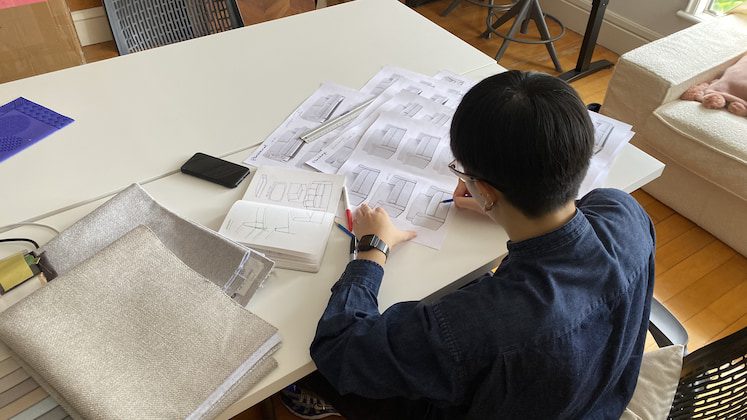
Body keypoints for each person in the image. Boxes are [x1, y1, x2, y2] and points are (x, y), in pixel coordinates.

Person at [281, 70, 655, 419]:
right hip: (595, 399)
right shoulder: (625, 211)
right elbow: (573, 212)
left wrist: (371, 249)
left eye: (461, 171)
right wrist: (499, 203)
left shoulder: (478, 323)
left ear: (487, 190)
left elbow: (341, 347)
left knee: (311, 367)